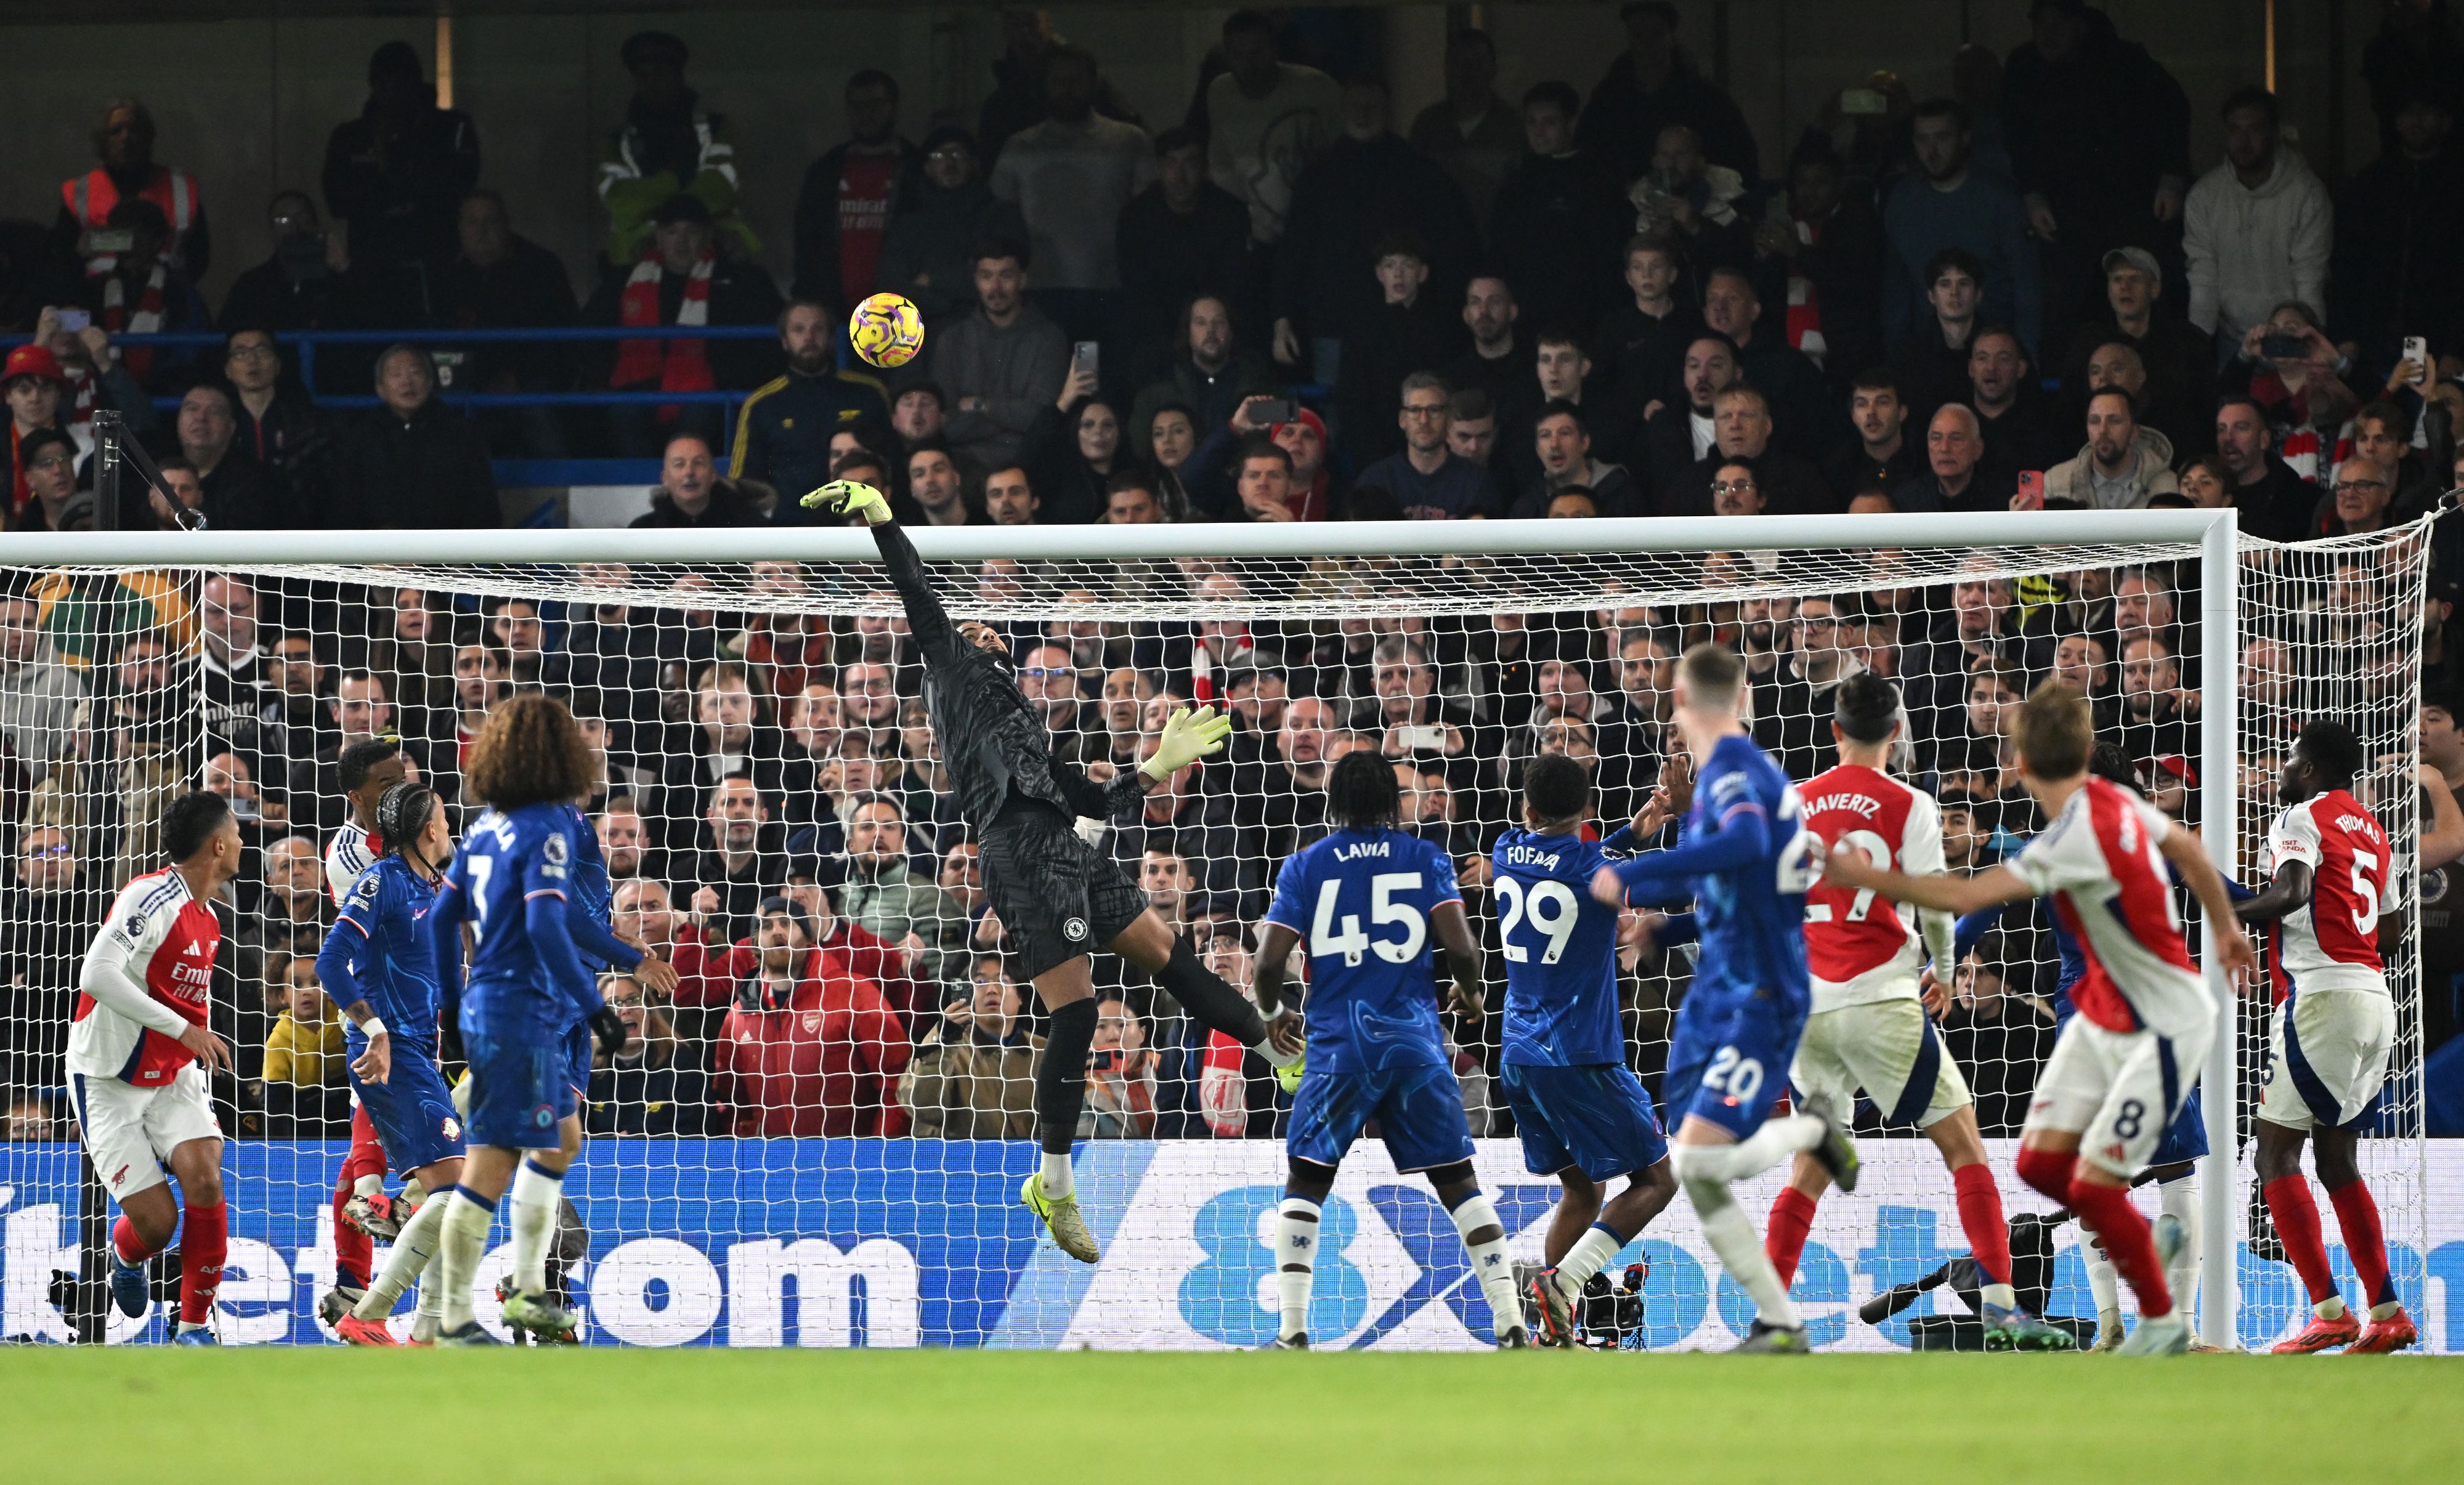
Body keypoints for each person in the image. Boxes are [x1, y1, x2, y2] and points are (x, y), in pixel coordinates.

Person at [803, 476, 1300, 1263]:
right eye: (974, 626)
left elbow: (1095, 796)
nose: (984, 628)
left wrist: (1158, 763)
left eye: (991, 625)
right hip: (1017, 852)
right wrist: (882, 516)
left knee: (1172, 959)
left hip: (1063, 848)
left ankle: (1280, 1054)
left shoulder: (1025, 728)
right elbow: (916, 591)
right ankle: (1055, 1182)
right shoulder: (956, 678)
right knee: (1075, 1014)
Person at [1823, 682, 2258, 1355]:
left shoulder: (2074, 836)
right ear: (2085, 753)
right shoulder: (2116, 807)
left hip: (2158, 1022)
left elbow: (1970, 893)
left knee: (2106, 1175)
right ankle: (2136, 1285)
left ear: (2018, 766)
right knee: (2043, 1164)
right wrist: (2227, 929)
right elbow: (2193, 852)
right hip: (2093, 1018)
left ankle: (2165, 1319)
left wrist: (1862, 874)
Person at [1773, 673, 2073, 1349]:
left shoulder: (1793, 802)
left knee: (1809, 1168)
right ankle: (1999, 1304)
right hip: (1881, 998)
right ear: (1898, 732)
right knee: (1964, 1146)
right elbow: (1938, 901)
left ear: (1834, 731)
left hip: (1810, 1007)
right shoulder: (1910, 802)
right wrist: (1938, 967)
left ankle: (1770, 1314)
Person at [1586, 642, 1857, 1353]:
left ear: (1679, 699)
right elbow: (1731, 886)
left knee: (1697, 1165)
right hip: (1720, 987)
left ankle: (1812, 1133)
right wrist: (1664, 925)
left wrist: (1634, 874)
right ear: (1739, 696)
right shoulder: (1724, 779)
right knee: (1691, 1165)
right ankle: (1780, 1325)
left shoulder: (1738, 773)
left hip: (1759, 991)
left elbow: (1736, 847)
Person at [1253, 749, 1529, 1350]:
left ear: (1333, 801)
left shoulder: (1305, 864)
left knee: (1306, 1178)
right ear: (1392, 801)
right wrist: (1472, 989)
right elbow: (1462, 947)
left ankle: (1293, 1330)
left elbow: (1268, 961)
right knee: (1457, 1179)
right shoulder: (1425, 856)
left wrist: (1274, 1013)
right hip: (1413, 1043)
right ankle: (1509, 1320)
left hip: (1337, 1046)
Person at [422, 695, 633, 1345]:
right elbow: (546, 920)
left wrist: (454, 1008)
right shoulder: (549, 825)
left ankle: (527, 1288)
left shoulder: (486, 827)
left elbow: (439, 920)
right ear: (566, 753)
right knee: (490, 1165)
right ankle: (464, 1313)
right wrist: (597, 1007)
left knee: (558, 1140)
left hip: (491, 1005)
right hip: (521, 1009)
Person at [2234, 720, 2417, 1353]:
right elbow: (2390, 934)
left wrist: (2222, 912)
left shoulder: (2299, 815)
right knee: (2336, 1157)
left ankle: (2328, 1309)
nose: (2282, 769)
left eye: (2288, 759)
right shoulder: (2371, 827)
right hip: (2373, 1000)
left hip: (2318, 1000)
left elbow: (2291, 893)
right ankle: (2387, 1309)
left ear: (2309, 768)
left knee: (2273, 1152)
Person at [1498, 753, 1679, 1348]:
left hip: (1519, 1055)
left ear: (1527, 810)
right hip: (1579, 1055)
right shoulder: (1599, 869)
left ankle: (1555, 1329)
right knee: (1657, 1181)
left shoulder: (1506, 848)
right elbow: (1672, 874)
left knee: (1582, 1189)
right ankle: (1565, 1282)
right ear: (1589, 813)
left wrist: (1636, 830)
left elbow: (1577, 855)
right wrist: (1685, 813)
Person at [73, 791, 243, 1343]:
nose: (244, 841)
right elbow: (96, 974)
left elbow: (187, 1000)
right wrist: (186, 1031)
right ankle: (126, 1254)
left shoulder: (211, 918)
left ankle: (193, 1327)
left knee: (206, 1173)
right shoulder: (150, 896)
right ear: (218, 845)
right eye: (237, 833)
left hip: (172, 1073)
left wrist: (196, 1041)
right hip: (108, 1076)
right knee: (158, 1223)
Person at [316, 782, 468, 1346]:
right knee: (458, 1196)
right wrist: (374, 1028)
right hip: (391, 1052)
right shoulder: (381, 880)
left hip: (419, 1054)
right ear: (429, 830)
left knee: (448, 1202)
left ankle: (424, 1335)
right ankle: (373, 1314)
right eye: (446, 818)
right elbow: (330, 962)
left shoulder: (435, 885)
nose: (451, 828)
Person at [1271, 76, 1477, 384]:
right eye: (1355, 105)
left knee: (1414, 412)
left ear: (1388, 111)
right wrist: (1282, 316)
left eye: (1372, 106)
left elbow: (1452, 248)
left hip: (1409, 325)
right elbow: (1294, 251)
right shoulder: (1318, 177)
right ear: (1342, 110)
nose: (1363, 113)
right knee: (1337, 414)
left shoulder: (1420, 174)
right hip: (1334, 325)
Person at [588, 192, 784, 458]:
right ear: (658, 236)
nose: (681, 242)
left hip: (708, 390)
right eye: (672, 232)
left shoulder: (741, 281)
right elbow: (589, 336)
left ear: (707, 236)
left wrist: (727, 377)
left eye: (691, 232)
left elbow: (769, 341)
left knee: (701, 414)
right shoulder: (623, 282)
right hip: (638, 389)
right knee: (625, 411)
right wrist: (605, 379)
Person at [987, 44, 1156, 328]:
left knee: (1094, 370)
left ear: (1093, 84)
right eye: (1058, 81)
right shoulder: (1021, 147)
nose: (1067, 89)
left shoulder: (1128, 141)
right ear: (1045, 86)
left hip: (1109, 287)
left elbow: (1150, 215)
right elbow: (999, 219)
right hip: (1041, 288)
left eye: (1076, 80)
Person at [319, 41, 480, 297]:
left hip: (437, 260)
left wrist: (405, 164)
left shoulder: (451, 129)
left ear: (416, 82)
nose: (393, 91)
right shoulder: (351, 137)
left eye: (402, 80)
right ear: (373, 84)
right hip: (372, 264)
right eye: (385, 81)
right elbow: (337, 201)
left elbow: (457, 189)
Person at [1881, 100, 2040, 358]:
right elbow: (1896, 291)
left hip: (1996, 354)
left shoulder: (1999, 199)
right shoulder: (1902, 202)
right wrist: (1896, 359)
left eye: (1942, 137)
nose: (1932, 151)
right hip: (1930, 353)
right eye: (1923, 140)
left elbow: (2027, 283)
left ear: (1964, 138)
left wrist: (2027, 353)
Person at [2183, 87, 2332, 352]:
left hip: (2290, 339)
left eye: (2255, 129)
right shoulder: (2205, 196)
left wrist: (2311, 344)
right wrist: (2197, 350)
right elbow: (2203, 280)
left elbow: (2310, 277)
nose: (2244, 141)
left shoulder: (2307, 194)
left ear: (2275, 133)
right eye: (2235, 130)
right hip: (2230, 338)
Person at [596, 30, 753, 267]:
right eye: (643, 75)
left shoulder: (715, 129)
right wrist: (674, 181)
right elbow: (619, 201)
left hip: (718, 256)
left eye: (660, 72)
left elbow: (720, 187)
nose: (652, 82)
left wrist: (658, 209)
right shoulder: (618, 142)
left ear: (679, 75)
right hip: (635, 263)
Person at [1488, 82, 1629, 341]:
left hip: (1582, 322)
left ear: (1571, 123)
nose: (1539, 132)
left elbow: (1608, 259)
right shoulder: (1515, 185)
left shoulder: (1597, 182)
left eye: (1549, 122)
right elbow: (1499, 252)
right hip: (1524, 322)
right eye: (1532, 122)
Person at [1115, 126, 1255, 387]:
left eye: (1190, 163)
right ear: (1159, 167)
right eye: (1171, 163)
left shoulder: (1230, 214)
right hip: (1157, 335)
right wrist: (1174, 342)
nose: (1180, 175)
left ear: (1204, 167)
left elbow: (1236, 285)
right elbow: (1137, 290)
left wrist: (1204, 330)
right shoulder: (1136, 217)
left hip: (1216, 330)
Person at [729, 299, 891, 518]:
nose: (809, 337)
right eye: (799, 329)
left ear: (832, 338)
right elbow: (744, 482)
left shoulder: (868, 393)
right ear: (785, 341)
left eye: (818, 329)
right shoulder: (762, 404)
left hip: (863, 523)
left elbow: (894, 462)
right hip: (790, 531)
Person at [928, 237, 1069, 476]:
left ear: (1023, 280)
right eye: (986, 276)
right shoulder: (952, 341)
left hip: (1029, 460)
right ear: (976, 280)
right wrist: (1010, 418)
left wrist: (980, 406)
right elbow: (945, 424)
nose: (995, 288)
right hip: (964, 464)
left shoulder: (1048, 338)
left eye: (1006, 276)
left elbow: (1040, 419)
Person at [1578, 1, 1758, 184]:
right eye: (1638, 34)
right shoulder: (1607, 102)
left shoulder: (1707, 101)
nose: (1647, 43)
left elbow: (1739, 161)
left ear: (1671, 36)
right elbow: (1587, 160)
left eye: (1656, 33)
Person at [1202, 9, 1340, 248]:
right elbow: (1222, 166)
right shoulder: (1220, 93)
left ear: (1275, 49)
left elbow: (1345, 153)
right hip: (1254, 231)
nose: (1249, 63)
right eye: (1239, 54)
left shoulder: (1316, 87)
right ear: (1227, 56)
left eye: (1257, 52)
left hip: (1318, 224)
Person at [790, 68, 925, 310]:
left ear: (893, 107)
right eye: (857, 106)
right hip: (834, 312)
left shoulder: (918, 170)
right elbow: (807, 245)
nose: (866, 115)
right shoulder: (825, 172)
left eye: (875, 105)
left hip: (900, 313)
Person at [323, 344, 499, 528]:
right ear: (380, 389)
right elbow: (345, 504)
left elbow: (482, 503)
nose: (407, 382)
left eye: (415, 372)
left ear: (430, 382)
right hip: (377, 551)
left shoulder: (461, 433)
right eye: (396, 375)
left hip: (445, 549)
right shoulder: (361, 436)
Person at [877, 127, 1027, 330]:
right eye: (939, 155)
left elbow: (1003, 277)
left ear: (974, 164)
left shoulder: (1001, 216)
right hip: (924, 337)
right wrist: (949, 301)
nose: (949, 162)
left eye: (958, 154)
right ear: (928, 167)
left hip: (989, 334)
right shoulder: (908, 225)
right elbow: (891, 289)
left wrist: (932, 280)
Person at [55, 96, 209, 283]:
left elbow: (199, 255)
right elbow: (61, 258)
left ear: (148, 138)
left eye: (134, 129)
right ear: (102, 142)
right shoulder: (80, 192)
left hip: (168, 296)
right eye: (116, 131)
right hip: (95, 298)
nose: (126, 137)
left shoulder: (181, 189)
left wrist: (104, 239)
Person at [1408, 29, 1523, 227]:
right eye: (1458, 62)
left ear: (1493, 69)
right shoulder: (1428, 125)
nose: (1467, 70)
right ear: (1446, 68)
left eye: (1477, 61)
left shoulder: (1515, 126)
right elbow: (1411, 189)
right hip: (1439, 243)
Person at [1352, 373, 1500, 521]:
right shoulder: (1375, 480)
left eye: (1434, 410)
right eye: (1415, 410)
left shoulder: (1477, 484)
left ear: (1448, 419)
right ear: (1402, 420)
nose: (1424, 420)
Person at [2041, 387, 2178, 510]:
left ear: (2134, 432)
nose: (2103, 430)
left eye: (2114, 421)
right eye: (2094, 421)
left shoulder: (2167, 486)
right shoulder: (2055, 483)